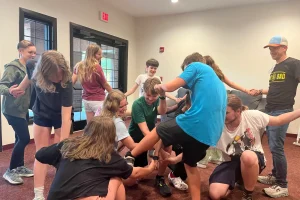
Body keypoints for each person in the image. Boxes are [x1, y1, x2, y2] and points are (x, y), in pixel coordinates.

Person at [125, 52, 227, 200]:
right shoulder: (215, 79)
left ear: (187, 66)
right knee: (191, 165)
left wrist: (161, 86)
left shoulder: (196, 66)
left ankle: (129, 156)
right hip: (212, 132)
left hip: (197, 122)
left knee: (160, 128)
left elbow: (170, 86)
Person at [35, 116, 157, 200]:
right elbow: (134, 173)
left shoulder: (66, 144)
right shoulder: (109, 155)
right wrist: (151, 168)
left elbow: (39, 154)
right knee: (116, 178)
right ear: (111, 135)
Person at [209, 94, 300, 200]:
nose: (222, 115)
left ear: (238, 111)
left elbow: (279, 120)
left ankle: (248, 194)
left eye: (226, 112)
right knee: (215, 195)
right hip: (230, 162)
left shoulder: (252, 116)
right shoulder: (217, 124)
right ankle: (238, 180)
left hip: (253, 160)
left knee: (247, 155)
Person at [10, 50, 73, 200]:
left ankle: (61, 192)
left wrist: (62, 145)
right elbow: (29, 76)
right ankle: (38, 195)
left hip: (60, 116)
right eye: (55, 76)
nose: (59, 78)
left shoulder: (66, 80)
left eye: (61, 74)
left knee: (62, 155)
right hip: (42, 113)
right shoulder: (32, 65)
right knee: (41, 153)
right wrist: (20, 88)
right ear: (44, 73)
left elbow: (65, 118)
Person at [251, 35, 300, 198]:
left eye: (275, 47)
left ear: (284, 48)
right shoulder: (275, 68)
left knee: (277, 147)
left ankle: (282, 185)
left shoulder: (294, 64)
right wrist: (259, 90)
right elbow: (274, 89)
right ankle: (274, 176)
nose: (271, 50)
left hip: (282, 111)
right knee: (272, 146)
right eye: (270, 48)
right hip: (270, 109)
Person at [198, 55, 256, 168]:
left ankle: (211, 157)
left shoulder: (217, 75)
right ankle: (207, 158)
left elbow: (231, 83)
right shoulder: (204, 76)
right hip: (212, 104)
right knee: (213, 131)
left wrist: (246, 90)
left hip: (217, 104)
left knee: (215, 131)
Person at [128, 77, 173, 197]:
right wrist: (161, 152)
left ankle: (160, 176)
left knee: (167, 143)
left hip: (152, 133)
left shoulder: (157, 100)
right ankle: (155, 157)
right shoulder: (138, 104)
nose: (150, 99)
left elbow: (162, 112)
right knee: (138, 177)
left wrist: (162, 97)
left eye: (154, 96)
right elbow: (145, 132)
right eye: (148, 95)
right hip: (137, 137)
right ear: (143, 91)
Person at [0, 40, 36, 184]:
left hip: (23, 108)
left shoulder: (31, 68)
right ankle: (10, 171)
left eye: (34, 52)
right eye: (30, 52)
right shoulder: (13, 67)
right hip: (12, 109)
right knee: (24, 138)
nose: (33, 55)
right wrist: (9, 90)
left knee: (18, 138)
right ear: (20, 51)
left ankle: (19, 167)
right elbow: (1, 86)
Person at [72, 44, 112, 123]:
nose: (101, 56)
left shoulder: (79, 66)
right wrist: (114, 94)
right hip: (97, 101)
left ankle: (89, 136)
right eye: (99, 54)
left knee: (90, 125)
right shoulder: (97, 67)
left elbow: (72, 81)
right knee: (102, 125)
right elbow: (105, 84)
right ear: (92, 54)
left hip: (86, 101)